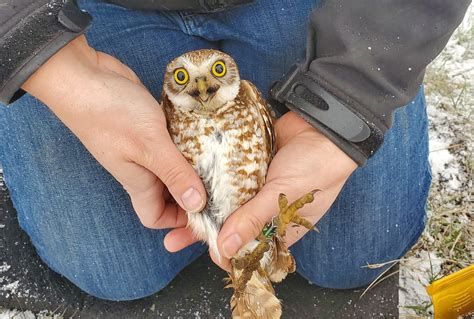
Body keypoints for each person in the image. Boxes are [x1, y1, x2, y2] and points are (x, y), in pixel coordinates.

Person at [0, 0, 469, 301]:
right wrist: (52, 63)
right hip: (91, 8)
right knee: (113, 271)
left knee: (359, 252)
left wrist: (351, 96)